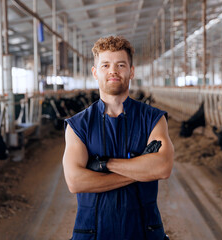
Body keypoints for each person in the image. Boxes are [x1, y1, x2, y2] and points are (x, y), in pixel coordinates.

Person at [63, 35, 174, 240]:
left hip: (144, 232)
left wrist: (104, 164)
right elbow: (75, 181)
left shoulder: (154, 119)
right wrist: (140, 170)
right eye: (105, 65)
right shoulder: (78, 125)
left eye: (120, 65)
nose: (113, 70)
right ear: (95, 73)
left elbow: (162, 168)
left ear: (131, 72)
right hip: (92, 233)